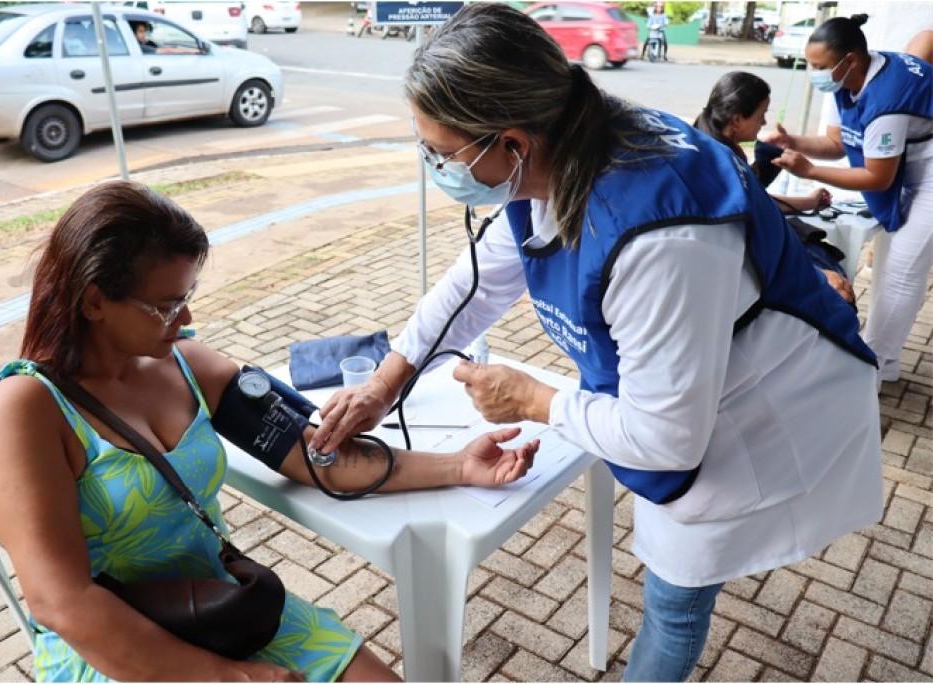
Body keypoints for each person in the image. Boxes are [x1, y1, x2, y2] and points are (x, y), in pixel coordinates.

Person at [312, 5, 882, 681]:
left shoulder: (662, 237)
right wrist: (386, 382)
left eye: (441, 152)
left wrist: (536, 399)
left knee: (674, 604)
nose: (433, 164)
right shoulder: (557, 153)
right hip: (690, 389)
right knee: (670, 575)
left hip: (762, 406)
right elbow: (475, 285)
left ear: (512, 142)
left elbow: (668, 438)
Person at [0, 181, 540, 682]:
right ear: (95, 300)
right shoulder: (26, 408)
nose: (186, 321)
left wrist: (460, 467)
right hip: (112, 644)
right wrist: (227, 678)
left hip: (223, 606)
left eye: (188, 298)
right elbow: (60, 602)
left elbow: (318, 455)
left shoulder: (189, 365)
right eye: (167, 306)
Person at [765, 15, 933, 386]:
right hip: (908, 162)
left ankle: (870, 368)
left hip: (926, 172)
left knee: (901, 271)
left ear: (850, 60)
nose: (814, 73)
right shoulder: (850, 80)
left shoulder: (886, 99)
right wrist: (791, 141)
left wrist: (808, 171)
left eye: (820, 67)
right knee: (894, 261)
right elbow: (837, 144)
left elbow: (877, 176)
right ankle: (883, 362)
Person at [694, 71, 854, 304]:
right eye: (761, 115)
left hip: (743, 249)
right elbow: (750, 216)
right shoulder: (721, 161)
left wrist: (770, 159)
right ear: (737, 120)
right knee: (839, 292)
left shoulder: (705, 135)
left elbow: (751, 199)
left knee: (833, 277)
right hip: (740, 259)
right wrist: (815, 274)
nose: (764, 122)